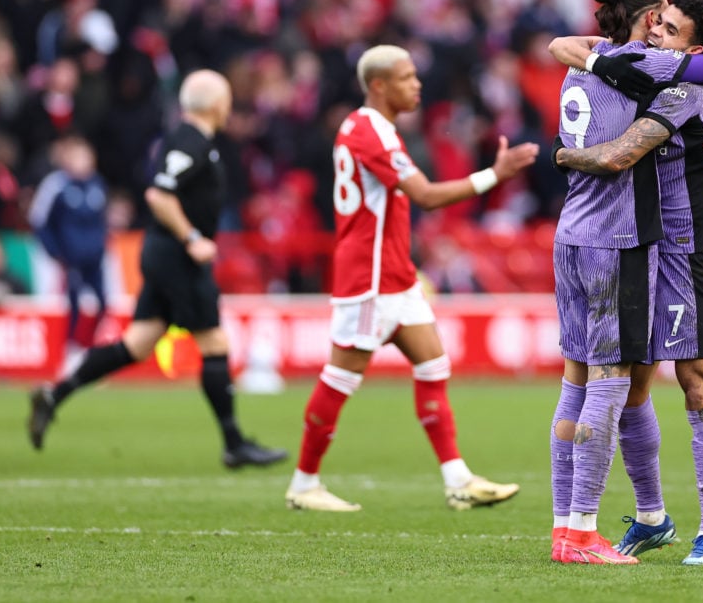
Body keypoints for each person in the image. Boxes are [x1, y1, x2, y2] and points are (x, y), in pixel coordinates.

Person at [547, 0, 703, 566]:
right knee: (633, 384)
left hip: (689, 252)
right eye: (656, 21)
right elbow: (568, 44)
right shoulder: (644, 67)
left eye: (671, 29)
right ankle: (652, 516)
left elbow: (620, 155)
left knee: (696, 384)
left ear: (692, 52)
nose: (657, 31)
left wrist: (560, 155)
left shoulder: (684, 86)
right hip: (640, 244)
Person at [284, 45, 537, 512]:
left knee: (434, 365)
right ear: (378, 85)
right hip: (369, 279)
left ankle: (458, 479)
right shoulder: (369, 132)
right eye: (405, 77)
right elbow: (424, 195)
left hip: (396, 275)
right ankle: (304, 483)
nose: (416, 84)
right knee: (340, 378)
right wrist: (493, 176)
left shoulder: (370, 128)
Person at [28, 69, 288, 470]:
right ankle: (234, 443)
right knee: (215, 343)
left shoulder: (193, 140)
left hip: (164, 254)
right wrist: (191, 238)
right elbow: (159, 194)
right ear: (218, 104)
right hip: (176, 257)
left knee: (137, 344)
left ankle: (55, 394)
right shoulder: (190, 140)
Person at [29, 135, 108, 361]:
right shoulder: (56, 185)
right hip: (69, 258)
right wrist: (55, 252)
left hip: (94, 258)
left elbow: (102, 221)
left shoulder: (97, 184)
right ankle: (70, 352)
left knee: (103, 303)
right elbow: (39, 220)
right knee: (72, 304)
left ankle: (89, 350)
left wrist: (102, 247)